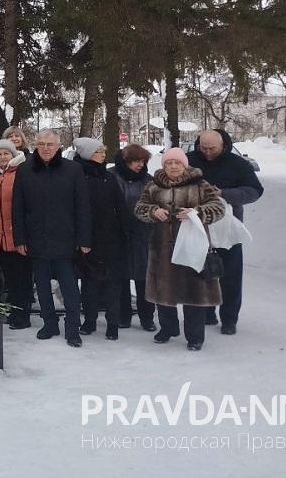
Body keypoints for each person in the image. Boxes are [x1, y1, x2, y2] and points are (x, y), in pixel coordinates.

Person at [135, 147, 225, 351]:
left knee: (194, 292)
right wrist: (153, 211)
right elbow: (139, 208)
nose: (173, 166)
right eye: (169, 163)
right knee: (164, 292)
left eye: (177, 162)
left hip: (193, 247)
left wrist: (197, 212)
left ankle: (195, 336)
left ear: (185, 165)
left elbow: (218, 208)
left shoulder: (200, 185)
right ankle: (168, 329)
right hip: (161, 248)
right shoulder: (153, 186)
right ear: (163, 165)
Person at [11, 129, 91, 348]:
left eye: (50, 144)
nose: (45, 148)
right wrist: (20, 239)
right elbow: (18, 207)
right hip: (36, 239)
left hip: (66, 241)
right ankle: (50, 324)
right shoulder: (25, 170)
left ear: (58, 146)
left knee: (70, 289)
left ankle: (72, 328)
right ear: (36, 145)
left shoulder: (73, 169)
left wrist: (84, 239)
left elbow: (83, 207)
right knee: (42, 288)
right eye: (41, 144)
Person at [188, 129, 263, 335]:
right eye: (203, 148)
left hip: (229, 230)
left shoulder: (238, 164)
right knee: (201, 274)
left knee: (230, 277)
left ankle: (229, 319)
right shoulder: (190, 160)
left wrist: (224, 194)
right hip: (198, 227)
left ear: (223, 145)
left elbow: (255, 191)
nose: (207, 152)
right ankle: (206, 312)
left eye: (212, 148)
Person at [72, 138, 131, 341]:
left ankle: (112, 324)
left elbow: (120, 205)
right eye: (98, 151)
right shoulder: (78, 176)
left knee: (113, 283)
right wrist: (81, 238)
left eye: (103, 151)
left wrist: (126, 231)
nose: (103, 154)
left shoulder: (108, 176)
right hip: (87, 239)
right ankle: (89, 321)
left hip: (112, 238)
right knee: (89, 283)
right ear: (88, 154)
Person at [0, 139, 30, 328]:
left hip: (17, 235)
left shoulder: (22, 172)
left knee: (22, 277)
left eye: (6, 153)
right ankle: (15, 311)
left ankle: (23, 315)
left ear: (13, 155)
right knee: (9, 277)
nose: (2, 157)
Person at [112, 143, 155, 330]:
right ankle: (123, 315)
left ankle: (147, 317)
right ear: (125, 161)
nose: (140, 165)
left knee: (144, 278)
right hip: (118, 233)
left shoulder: (149, 181)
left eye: (143, 161)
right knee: (120, 278)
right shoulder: (111, 177)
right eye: (136, 161)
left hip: (143, 233)